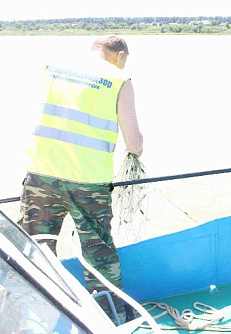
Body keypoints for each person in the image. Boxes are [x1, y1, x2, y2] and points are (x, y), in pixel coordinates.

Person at [18, 35, 144, 324]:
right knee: (98, 253)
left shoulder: (52, 68)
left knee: (36, 249)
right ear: (119, 55)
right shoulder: (118, 80)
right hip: (88, 183)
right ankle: (110, 319)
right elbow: (133, 142)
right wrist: (139, 147)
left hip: (40, 175)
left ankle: (31, 316)